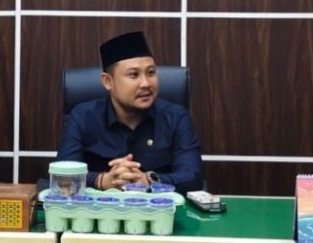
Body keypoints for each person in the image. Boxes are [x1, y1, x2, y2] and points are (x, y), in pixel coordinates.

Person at [56, 31, 204, 194]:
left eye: (151, 72)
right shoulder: (83, 116)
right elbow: (62, 175)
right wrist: (102, 180)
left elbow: (193, 177)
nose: (146, 83)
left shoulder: (176, 117)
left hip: (158, 207)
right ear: (108, 81)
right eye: (134, 75)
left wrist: (149, 180)